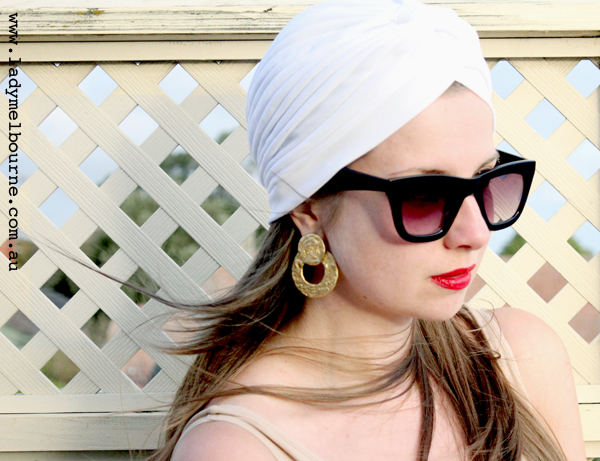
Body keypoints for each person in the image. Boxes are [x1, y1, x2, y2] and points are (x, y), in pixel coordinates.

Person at [148, 0, 586, 459]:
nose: (475, 233)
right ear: (308, 207)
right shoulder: (237, 448)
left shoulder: (521, 359)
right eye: (425, 196)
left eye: (487, 180)